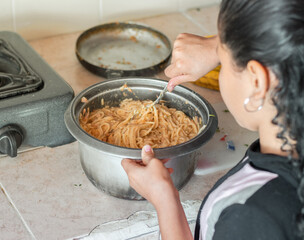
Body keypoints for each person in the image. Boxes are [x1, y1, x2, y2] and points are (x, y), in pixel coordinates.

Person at [121, 0, 304, 239]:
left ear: (257, 82)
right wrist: (220, 45)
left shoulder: (250, 217)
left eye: (223, 64)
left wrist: (164, 198)